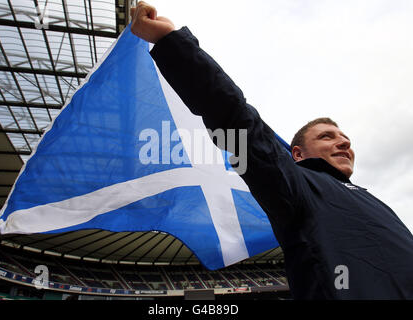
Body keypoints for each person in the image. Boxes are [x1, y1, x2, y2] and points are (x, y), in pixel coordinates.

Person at [130, 1, 413, 299]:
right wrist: (171, 42)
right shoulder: (296, 186)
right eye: (327, 137)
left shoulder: (373, 200)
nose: (344, 142)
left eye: (345, 138)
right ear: (298, 154)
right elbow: (236, 122)